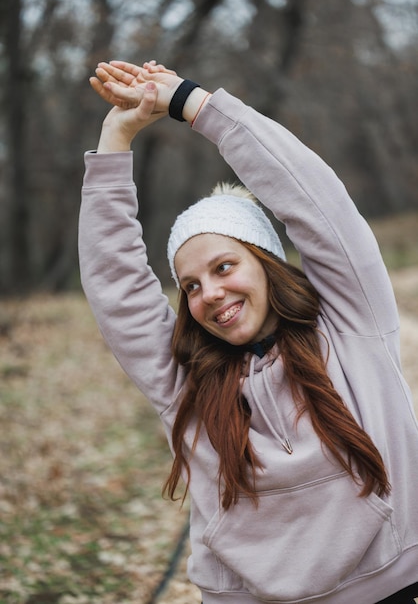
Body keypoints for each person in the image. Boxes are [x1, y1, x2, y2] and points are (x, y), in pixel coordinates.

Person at [78, 59, 418, 604]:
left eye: (223, 267)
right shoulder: (185, 384)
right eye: (189, 286)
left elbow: (315, 202)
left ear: (265, 263)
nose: (208, 294)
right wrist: (115, 138)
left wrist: (194, 104)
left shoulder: (354, 327)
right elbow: (117, 288)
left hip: (393, 586)